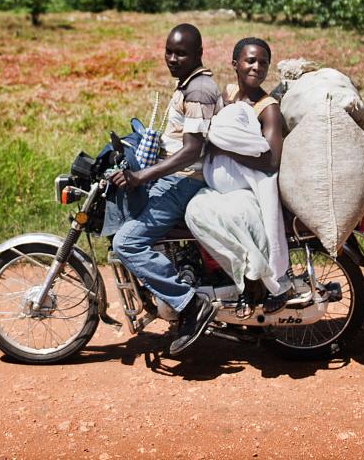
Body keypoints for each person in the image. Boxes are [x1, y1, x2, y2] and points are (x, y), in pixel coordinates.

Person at [108, 23, 223, 356]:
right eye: (169, 52)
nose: (172, 58)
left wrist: (142, 177)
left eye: (181, 53)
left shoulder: (199, 91)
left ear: (198, 54)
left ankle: (189, 305)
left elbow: (190, 151)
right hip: (177, 176)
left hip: (186, 180)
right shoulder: (186, 85)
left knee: (126, 241)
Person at [184, 37, 293, 313]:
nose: (257, 67)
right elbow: (215, 131)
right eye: (250, 60)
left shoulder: (268, 109)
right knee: (194, 212)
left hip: (246, 192)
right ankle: (240, 271)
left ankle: (253, 277)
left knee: (234, 218)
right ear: (235, 64)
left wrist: (228, 149)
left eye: (263, 63)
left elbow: (271, 161)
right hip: (219, 189)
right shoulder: (227, 95)